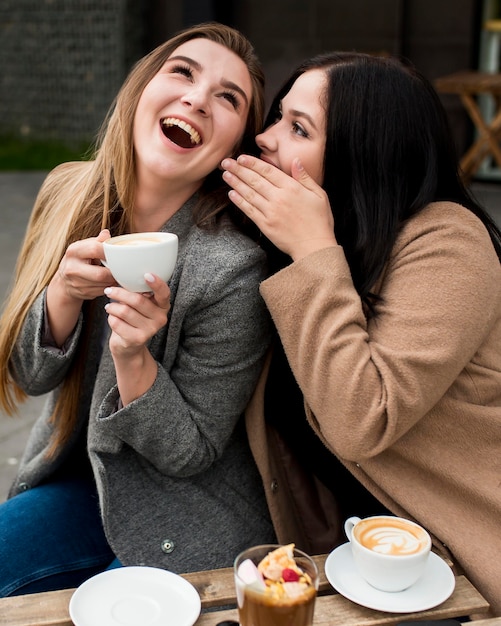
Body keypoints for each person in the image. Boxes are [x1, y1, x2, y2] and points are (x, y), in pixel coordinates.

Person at [0, 22, 276, 597]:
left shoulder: (232, 267)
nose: (197, 99)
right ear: (140, 88)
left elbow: (191, 453)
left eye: (229, 98)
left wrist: (134, 358)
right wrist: (63, 296)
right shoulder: (68, 195)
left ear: (235, 146)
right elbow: (29, 375)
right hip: (80, 481)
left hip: (184, 512)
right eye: (182, 72)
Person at [221, 52, 501, 614]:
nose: (265, 138)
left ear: (362, 154)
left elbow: (359, 419)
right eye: (277, 116)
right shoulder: (308, 243)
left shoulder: (448, 242)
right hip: (359, 569)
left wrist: (313, 250)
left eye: (297, 127)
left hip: (463, 571)